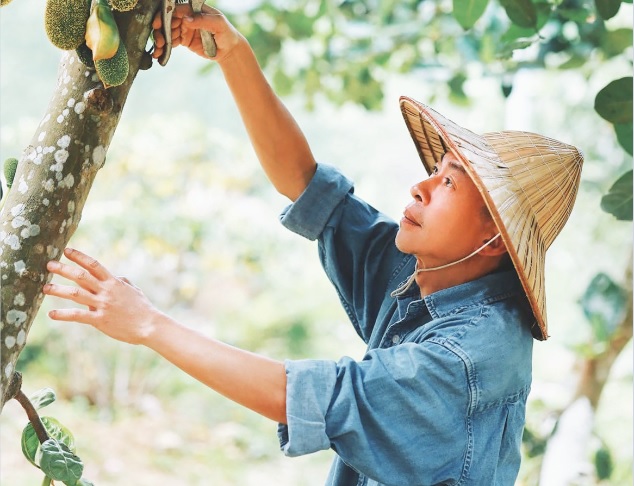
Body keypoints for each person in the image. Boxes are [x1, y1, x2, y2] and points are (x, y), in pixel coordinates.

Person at [43, 5, 584, 486]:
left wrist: (148, 324)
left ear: (493, 236)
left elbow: (310, 397)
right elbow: (307, 184)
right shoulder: (427, 275)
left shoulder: (470, 357)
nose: (419, 186)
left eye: (448, 183)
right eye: (434, 171)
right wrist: (232, 51)